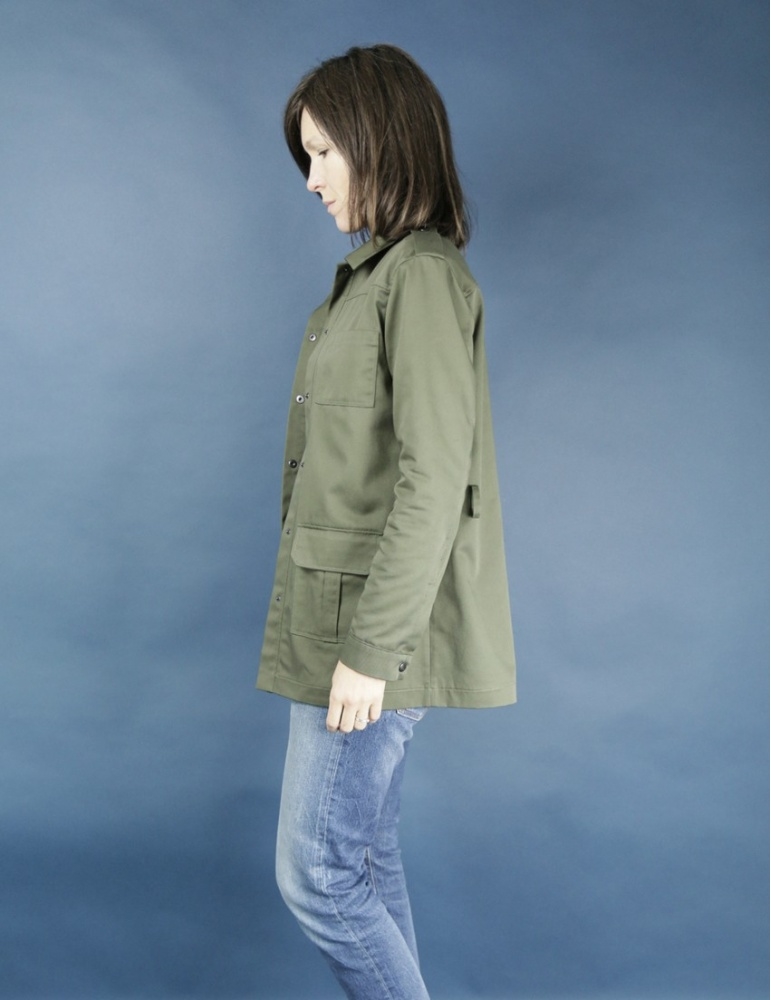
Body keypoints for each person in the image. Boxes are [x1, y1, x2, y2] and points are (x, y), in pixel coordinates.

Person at [256, 44, 516, 1000]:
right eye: (307, 156)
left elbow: (433, 478)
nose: (312, 177)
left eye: (325, 152)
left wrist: (370, 652)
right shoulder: (374, 278)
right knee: (361, 857)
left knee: (320, 876)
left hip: (367, 639)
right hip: (337, 626)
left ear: (382, 142)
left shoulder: (422, 279)